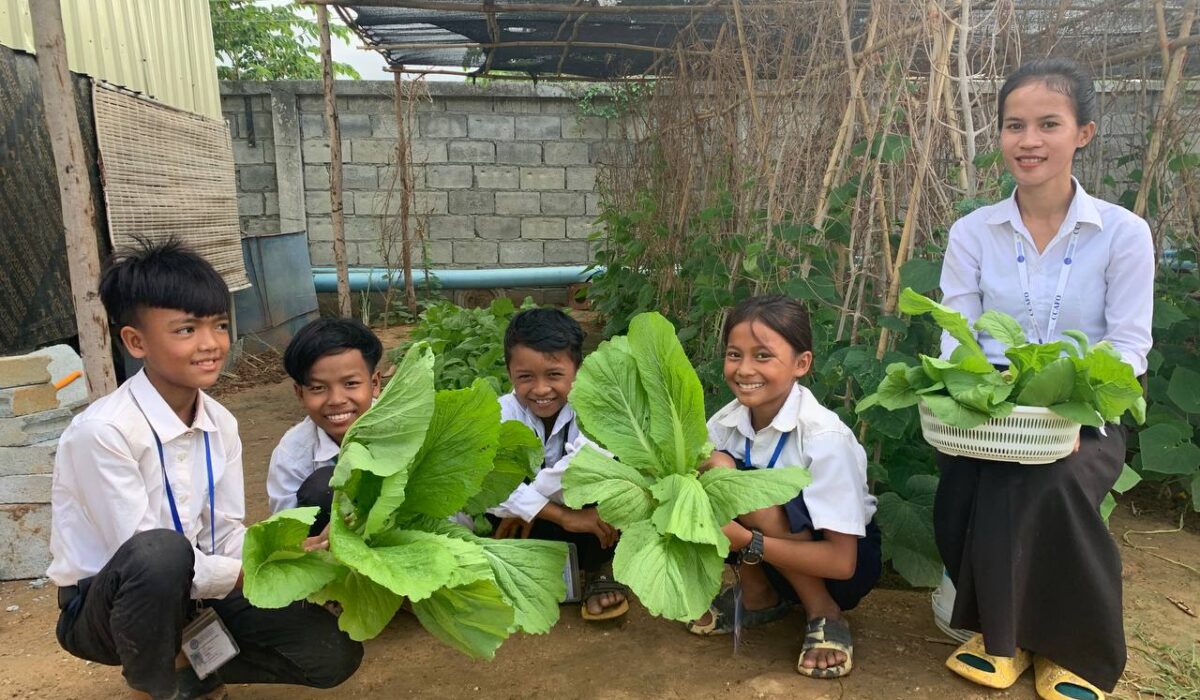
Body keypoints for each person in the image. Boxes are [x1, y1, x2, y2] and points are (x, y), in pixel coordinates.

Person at [47, 240, 362, 700]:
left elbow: (224, 533)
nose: (211, 343)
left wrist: (281, 555)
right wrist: (242, 574)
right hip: (104, 609)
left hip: (197, 592)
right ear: (136, 342)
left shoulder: (220, 422)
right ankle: (162, 679)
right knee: (160, 553)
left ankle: (197, 663)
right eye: (186, 329)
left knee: (332, 655)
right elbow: (140, 558)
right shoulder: (103, 432)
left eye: (218, 325)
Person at [935, 58, 1153, 700]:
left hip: (1086, 411)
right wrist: (983, 395)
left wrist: (1072, 405)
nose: (1028, 141)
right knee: (973, 477)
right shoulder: (974, 232)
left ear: (1082, 133)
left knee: (1050, 479)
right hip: (991, 409)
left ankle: (1060, 650)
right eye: (1014, 125)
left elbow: (1129, 343)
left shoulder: (1122, 233)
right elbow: (958, 331)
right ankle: (1012, 638)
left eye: (1048, 125)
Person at [689, 295, 881, 679]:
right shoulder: (724, 423)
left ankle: (823, 611)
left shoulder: (824, 437)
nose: (744, 370)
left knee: (753, 498)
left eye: (763, 356)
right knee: (715, 468)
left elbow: (843, 564)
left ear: (801, 364)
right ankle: (760, 596)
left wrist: (745, 540)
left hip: (840, 566)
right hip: (769, 556)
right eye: (734, 354)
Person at [488, 307, 629, 620]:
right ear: (509, 372)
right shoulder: (500, 413)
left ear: (577, 370)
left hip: (584, 519)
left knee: (609, 485)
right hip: (539, 524)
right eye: (526, 377)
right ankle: (532, 574)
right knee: (490, 489)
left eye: (554, 375)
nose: (540, 390)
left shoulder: (591, 409)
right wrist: (559, 515)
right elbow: (484, 480)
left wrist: (528, 503)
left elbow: (592, 463)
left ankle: (600, 569)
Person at [268, 318, 382, 534]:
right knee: (323, 486)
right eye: (318, 388)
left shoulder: (406, 427)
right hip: (324, 549)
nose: (336, 399)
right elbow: (284, 532)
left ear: (375, 384)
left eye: (351, 384)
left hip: (403, 538)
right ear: (300, 394)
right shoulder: (291, 454)